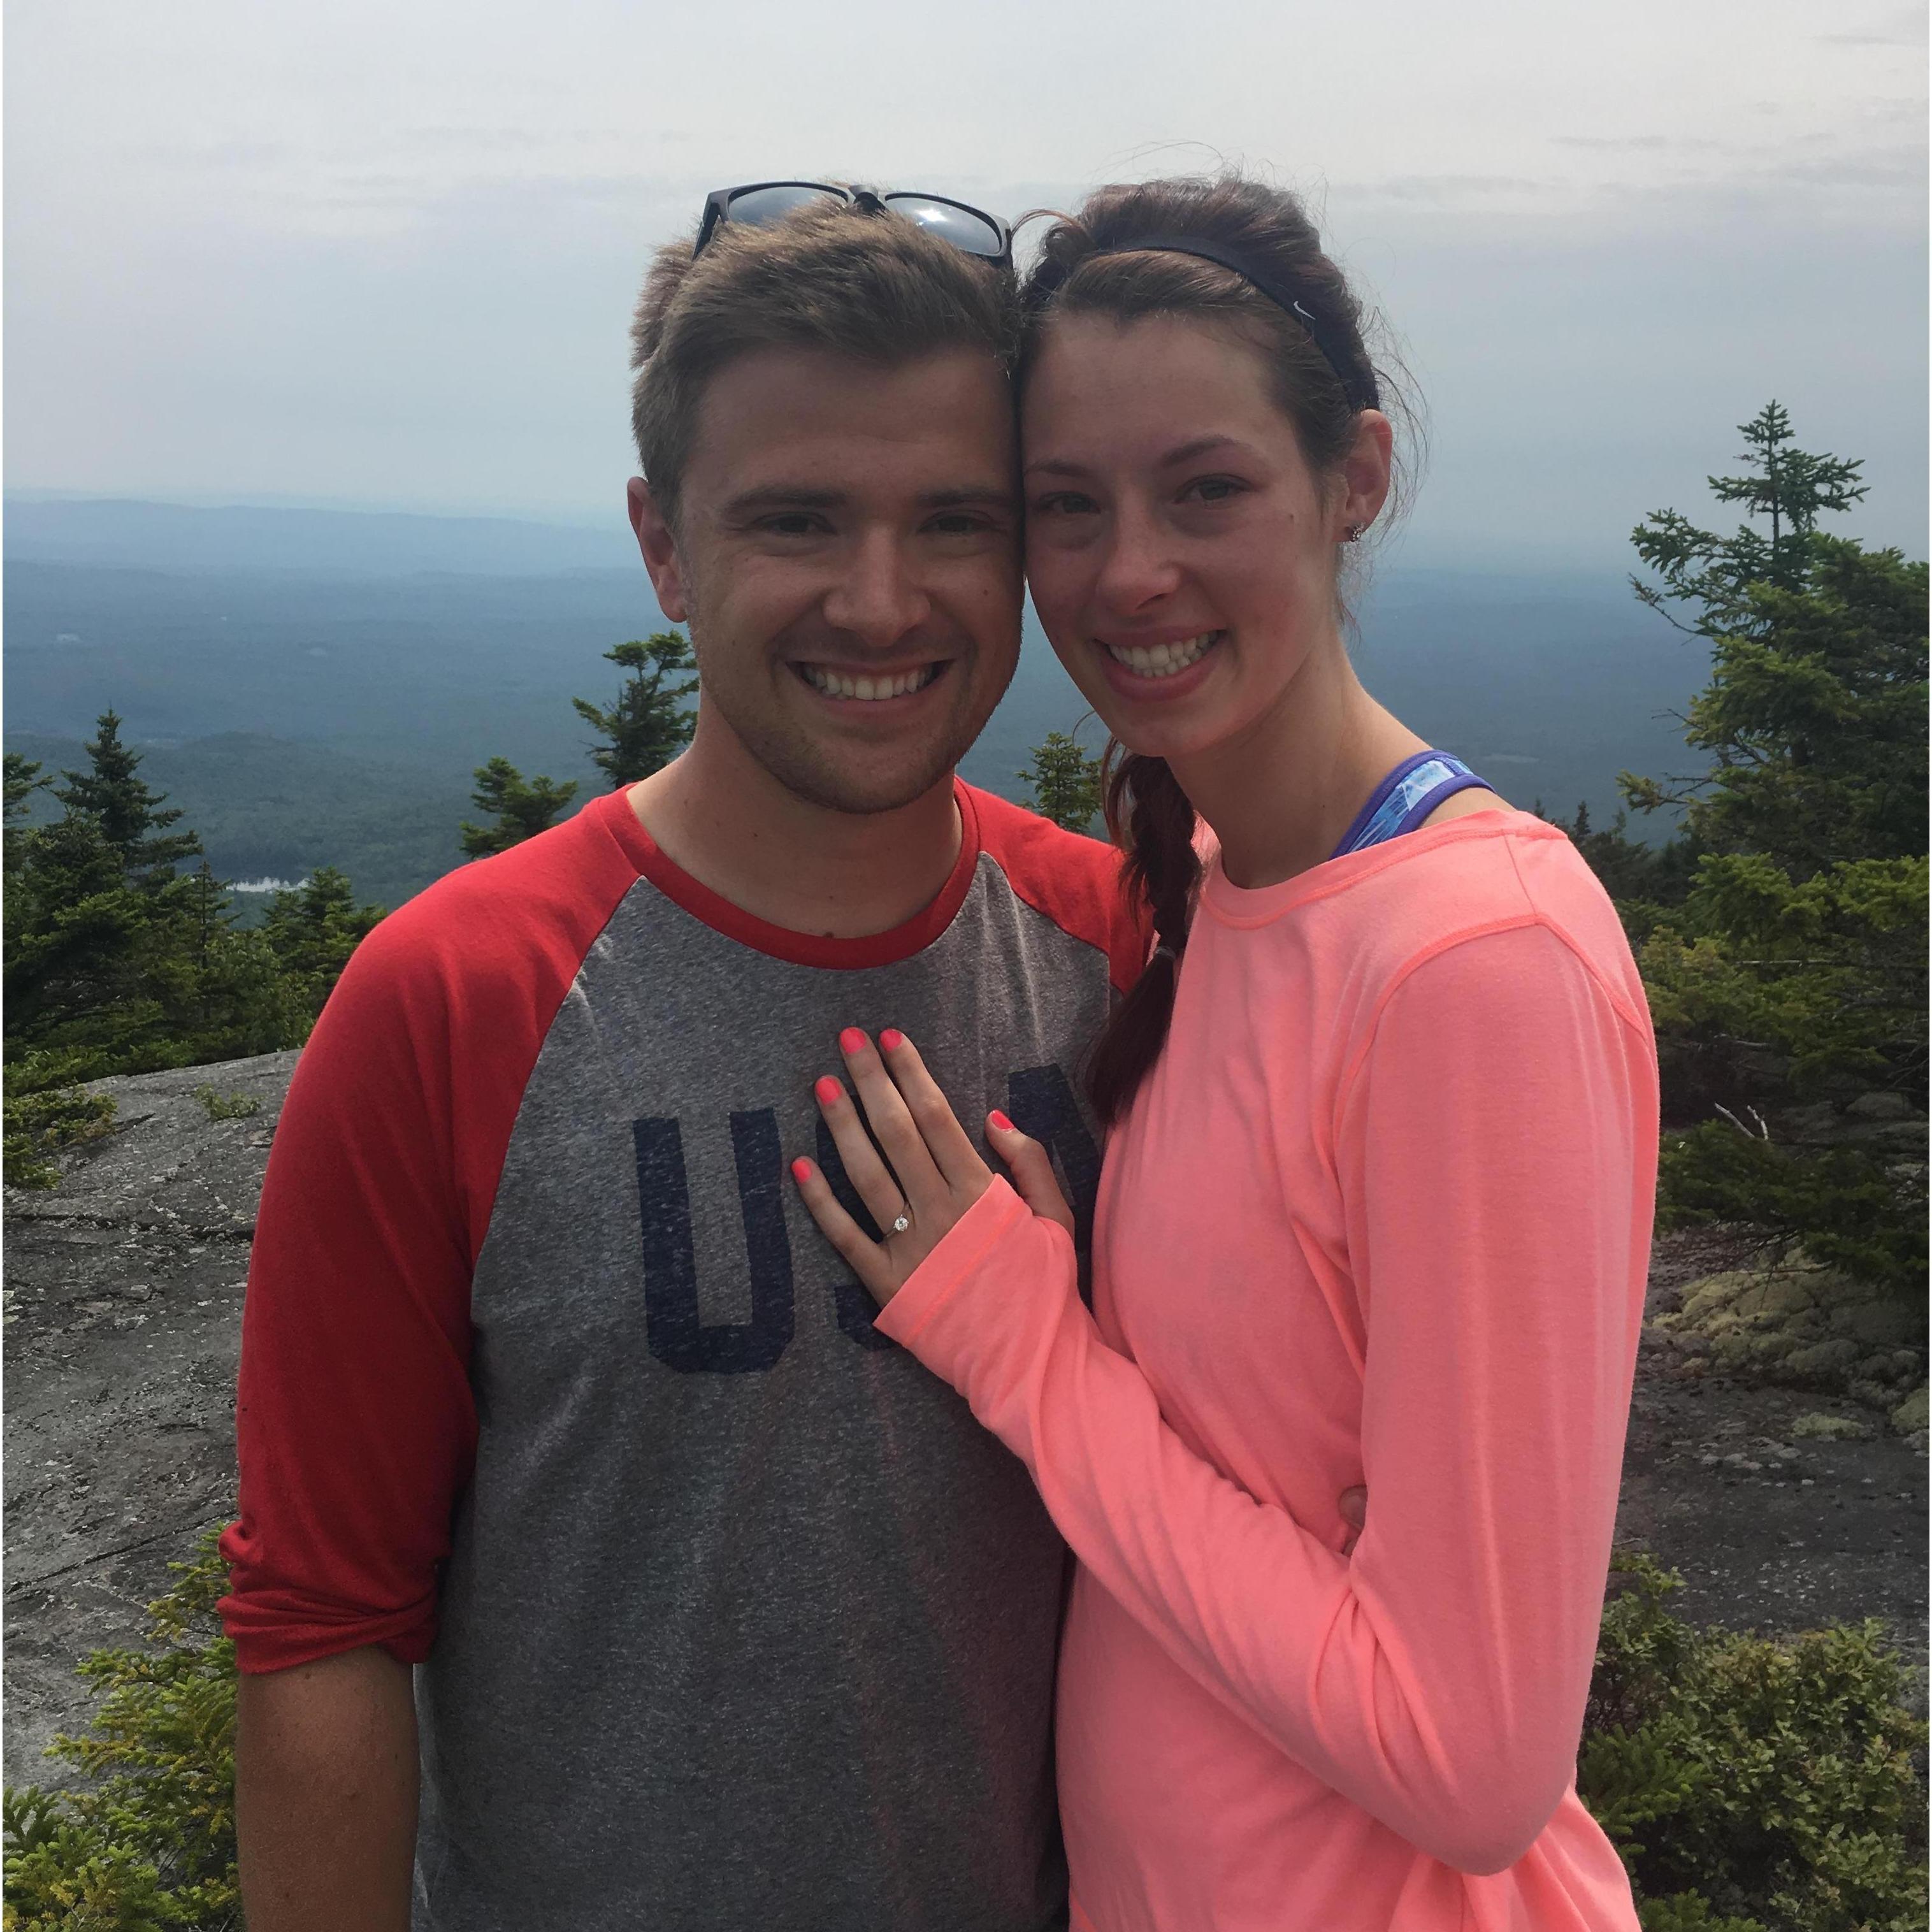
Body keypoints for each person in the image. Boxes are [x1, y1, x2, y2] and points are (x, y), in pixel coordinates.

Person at [219, 182, 1367, 1931]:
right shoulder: (455, 1002)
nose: (882, 602)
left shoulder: (1129, 951)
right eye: (798, 521)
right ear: (664, 545)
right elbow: (323, 1623)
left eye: (956, 521)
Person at [793, 174, 1658, 1931]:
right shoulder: (1213, 886)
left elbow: (1470, 1764)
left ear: (1355, 477)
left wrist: (1028, 1353)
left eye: (1206, 489)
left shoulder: (1473, 968)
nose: (1130, 571)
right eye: (1069, 505)